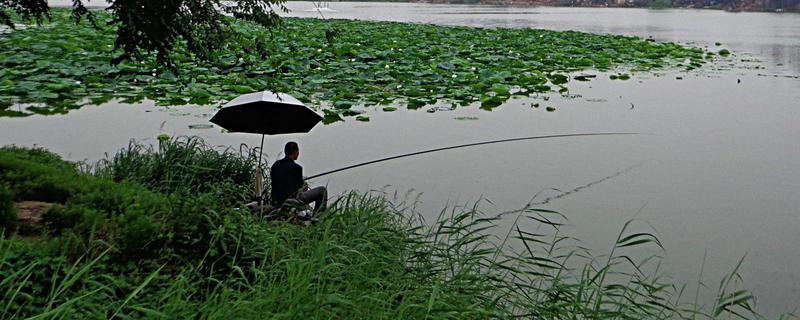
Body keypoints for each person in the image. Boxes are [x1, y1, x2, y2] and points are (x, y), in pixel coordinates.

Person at [270, 142, 327, 216]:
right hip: (291, 200)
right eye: (298, 151)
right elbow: (299, 186)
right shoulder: (297, 168)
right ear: (295, 152)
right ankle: (317, 217)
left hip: (277, 200)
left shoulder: (275, 165)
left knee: (304, 185)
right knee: (322, 190)